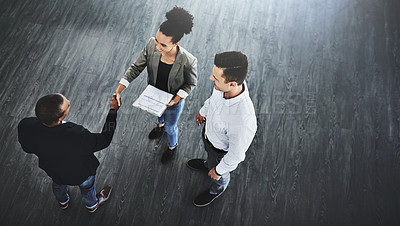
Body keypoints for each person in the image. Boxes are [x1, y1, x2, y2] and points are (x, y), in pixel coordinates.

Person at [114, 6, 197, 164]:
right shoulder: (152, 45)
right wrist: (119, 90)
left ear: (176, 43)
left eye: (163, 45)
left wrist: (178, 99)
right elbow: (136, 67)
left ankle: (172, 146)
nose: (157, 47)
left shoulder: (188, 60)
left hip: (173, 100)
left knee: (171, 128)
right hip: (154, 94)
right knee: (158, 115)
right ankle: (159, 125)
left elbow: (191, 84)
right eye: (157, 41)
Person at [17, 93, 120, 213]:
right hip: (81, 172)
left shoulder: (25, 125)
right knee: (87, 188)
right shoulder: (77, 135)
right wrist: (113, 111)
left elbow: (27, 148)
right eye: (67, 105)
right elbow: (105, 140)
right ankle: (91, 205)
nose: (69, 101)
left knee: (58, 185)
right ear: (60, 117)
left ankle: (63, 202)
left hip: (54, 170)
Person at [187, 51, 257, 207]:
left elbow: (236, 155)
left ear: (232, 84)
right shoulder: (223, 87)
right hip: (210, 136)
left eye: (215, 78)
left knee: (220, 174)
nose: (211, 79)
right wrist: (203, 111)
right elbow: (213, 100)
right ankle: (208, 164)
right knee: (210, 159)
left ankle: (215, 190)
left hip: (221, 153)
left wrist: (218, 171)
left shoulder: (243, 121)